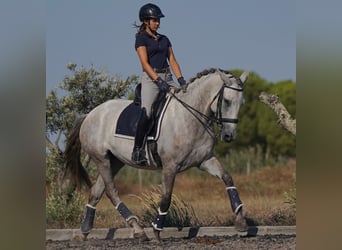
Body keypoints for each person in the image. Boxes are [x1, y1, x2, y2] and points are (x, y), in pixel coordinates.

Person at [132, 3, 186, 165]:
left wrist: (181, 80)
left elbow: (173, 61)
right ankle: (138, 149)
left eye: (158, 20)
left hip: (167, 75)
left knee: (184, 104)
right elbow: (144, 64)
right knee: (147, 110)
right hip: (151, 78)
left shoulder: (164, 39)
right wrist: (157, 80)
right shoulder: (141, 39)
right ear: (146, 21)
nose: (158, 23)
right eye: (155, 20)